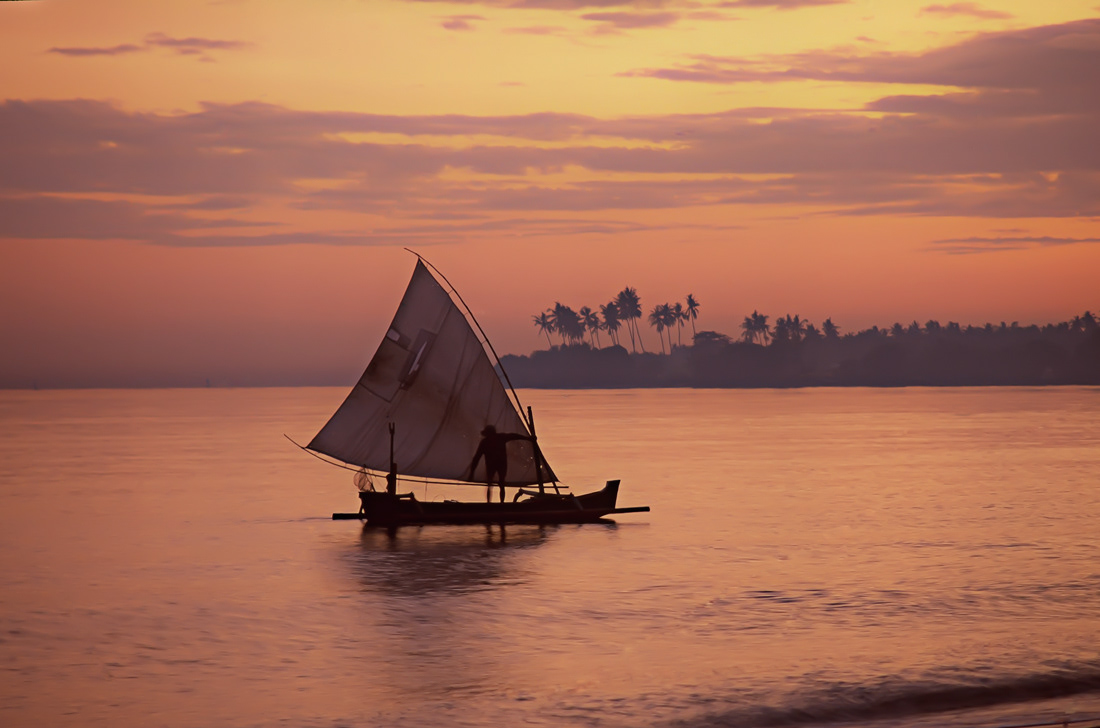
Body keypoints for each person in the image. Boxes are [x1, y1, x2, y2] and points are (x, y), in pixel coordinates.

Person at [466, 425, 535, 503]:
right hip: (496, 464)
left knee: (495, 484)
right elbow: (476, 458)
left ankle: (494, 503)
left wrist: (528, 438)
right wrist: (471, 473)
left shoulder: (489, 440)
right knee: (497, 484)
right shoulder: (491, 440)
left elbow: (513, 436)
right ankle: (496, 503)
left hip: (498, 464)